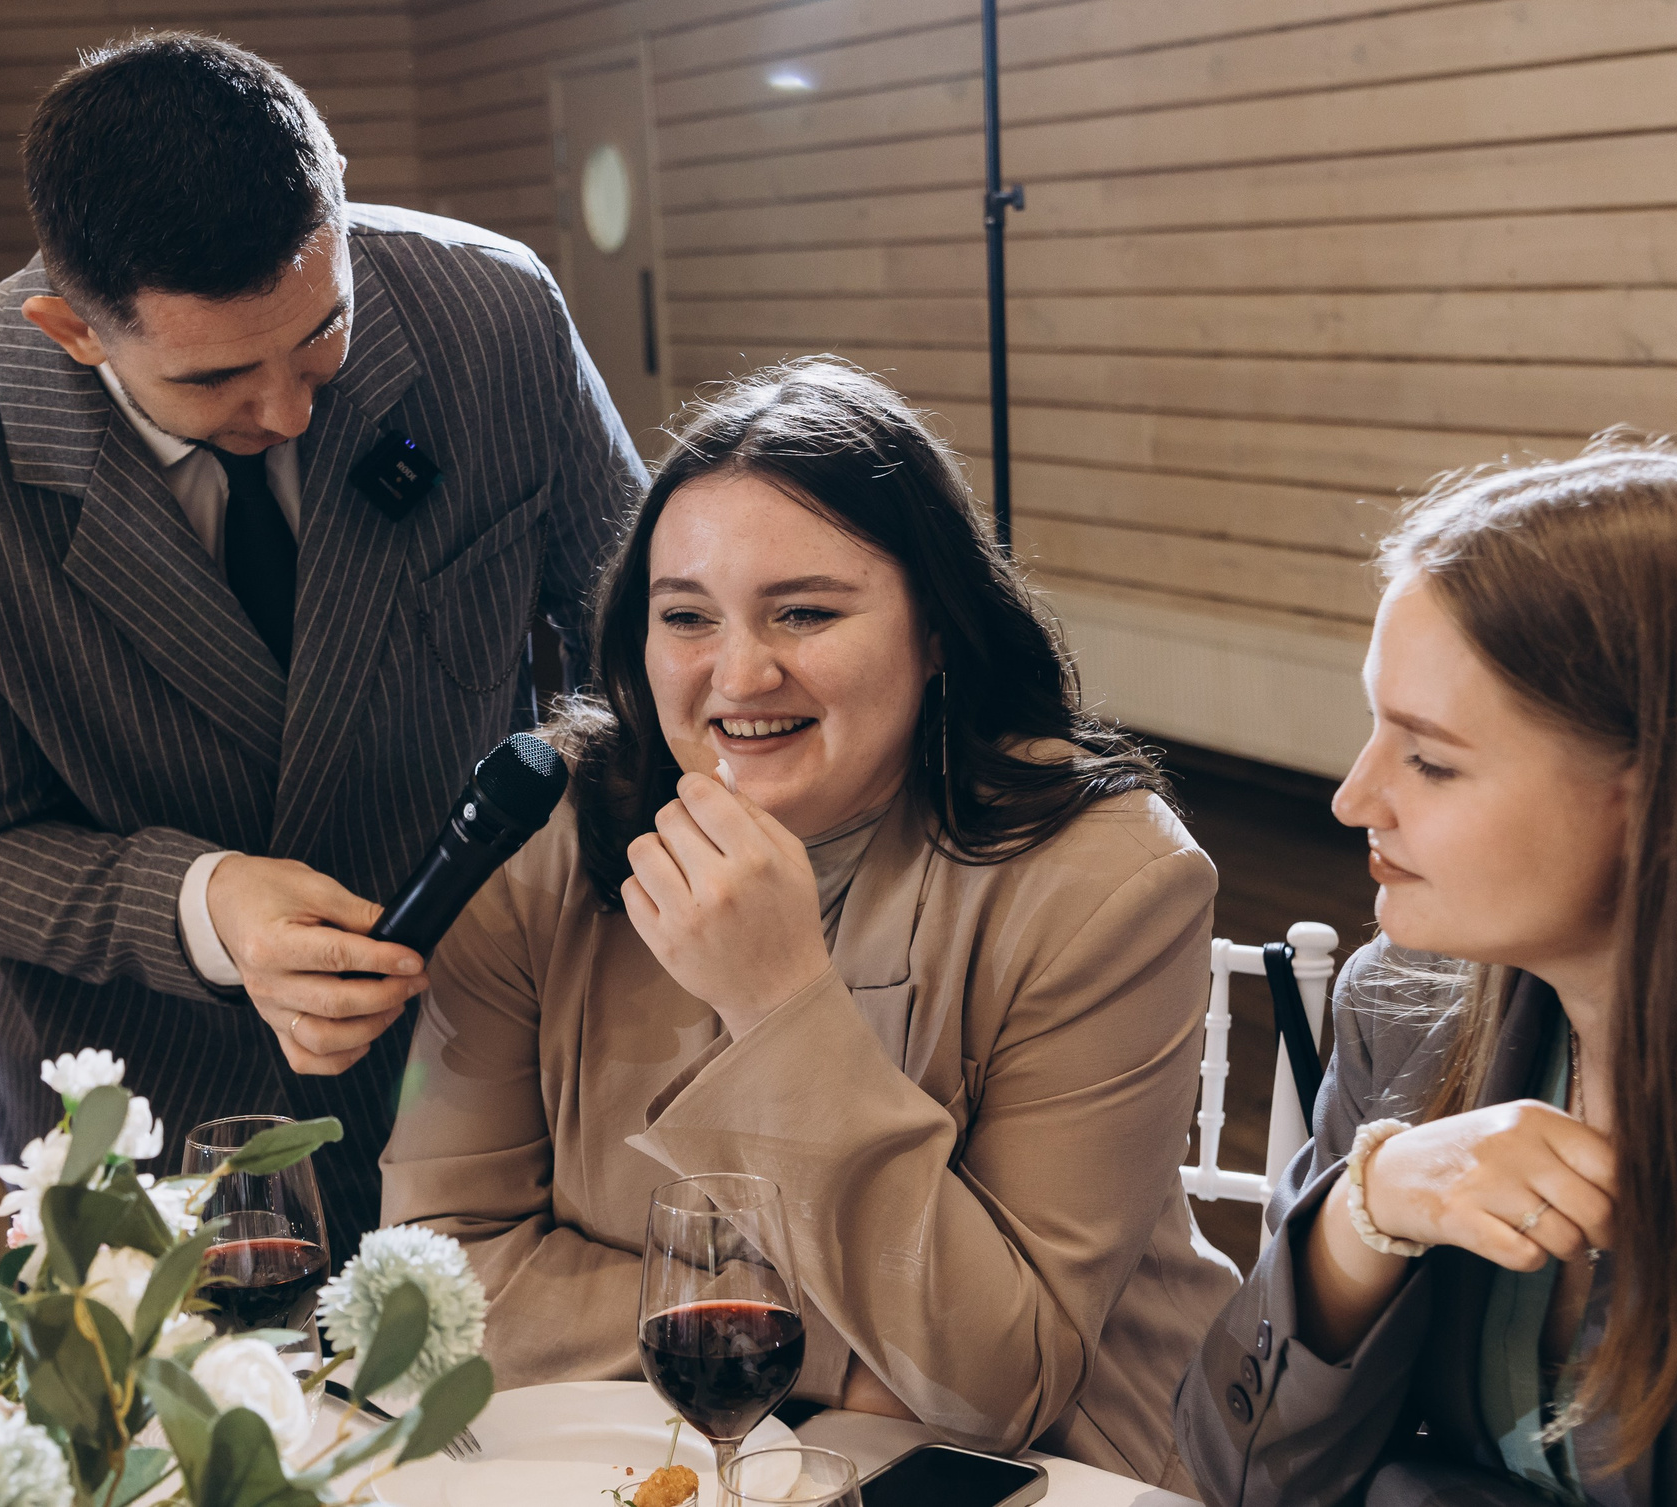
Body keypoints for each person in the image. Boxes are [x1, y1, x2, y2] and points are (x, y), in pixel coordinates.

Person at [0, 32, 642, 1247]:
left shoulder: (497, 314)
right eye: (215, 381)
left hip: (497, 1048)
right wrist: (208, 906)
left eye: (323, 336)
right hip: (154, 1109)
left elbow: (640, 639)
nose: (288, 408)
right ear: (72, 330)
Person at [380, 360, 1239, 1489]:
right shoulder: (544, 841)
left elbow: (995, 1381)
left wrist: (778, 1000)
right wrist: (829, 1351)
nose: (739, 673)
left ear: (937, 630)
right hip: (626, 1462)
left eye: (806, 612)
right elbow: (426, 1291)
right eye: (685, 616)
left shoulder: (1107, 879)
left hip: (1036, 1475)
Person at [1175, 442, 1677, 1504]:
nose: (1353, 799)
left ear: (1670, 784)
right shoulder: (1405, 1005)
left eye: (1429, 759)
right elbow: (1236, 1476)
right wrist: (1368, 1207)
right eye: (1374, 729)